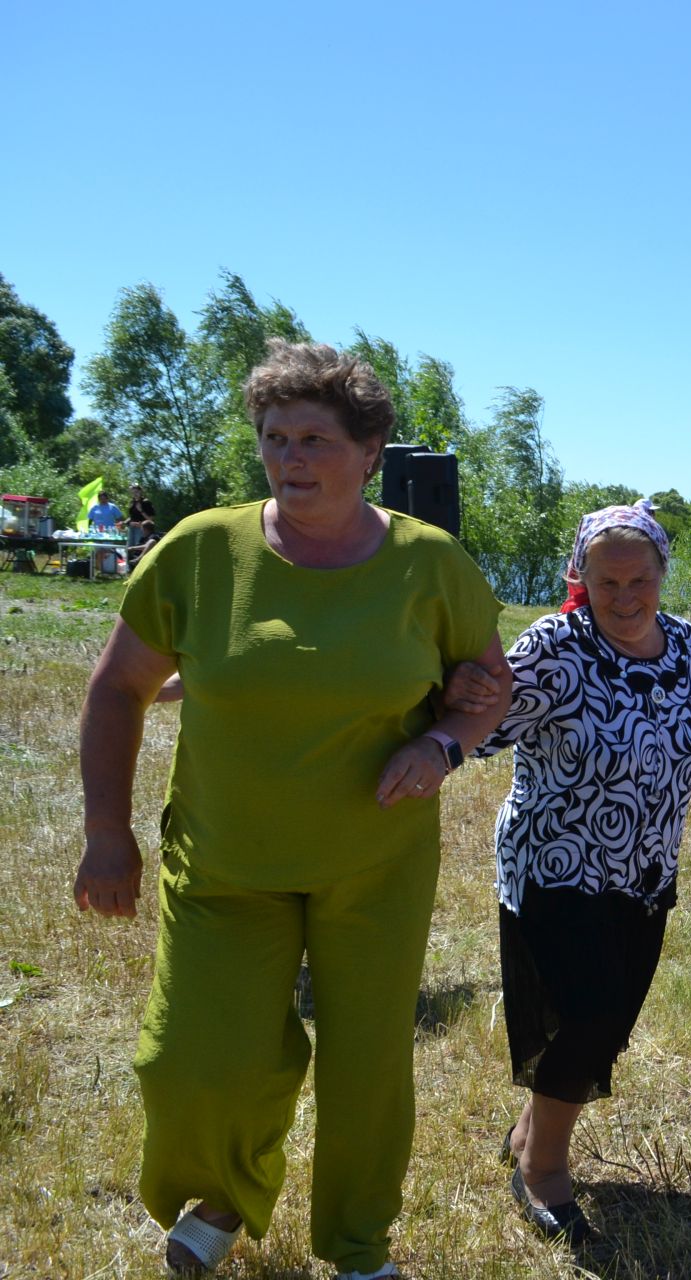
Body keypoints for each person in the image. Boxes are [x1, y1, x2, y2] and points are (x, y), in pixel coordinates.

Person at [73, 340, 509, 1279]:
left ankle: (357, 1246)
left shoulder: (430, 566)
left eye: (315, 438)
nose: (291, 458)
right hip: (226, 862)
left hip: (375, 864)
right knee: (192, 1057)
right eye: (275, 438)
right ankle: (227, 1192)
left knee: (367, 1068)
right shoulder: (200, 551)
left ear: (370, 451)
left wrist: (440, 746)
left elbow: (488, 689)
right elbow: (117, 692)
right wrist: (107, 830)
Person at [446, 503, 691, 1247]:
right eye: (607, 582)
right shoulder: (557, 646)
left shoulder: (686, 645)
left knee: (603, 1028)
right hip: (556, 864)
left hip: (645, 869)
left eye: (640, 580)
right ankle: (543, 1173)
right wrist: (463, 692)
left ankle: (532, 1129)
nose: (625, 597)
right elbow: (488, 728)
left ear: (663, 574)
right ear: (579, 579)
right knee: (590, 1016)